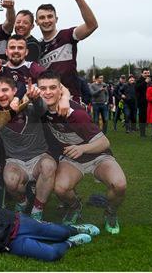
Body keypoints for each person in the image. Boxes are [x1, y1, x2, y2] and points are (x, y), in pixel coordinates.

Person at [37, 71, 127, 234]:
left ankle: (111, 213)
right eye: (43, 88)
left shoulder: (76, 114)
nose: (48, 92)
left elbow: (104, 142)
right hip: (72, 159)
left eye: (52, 88)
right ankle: (74, 207)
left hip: (97, 156)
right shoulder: (41, 110)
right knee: (61, 188)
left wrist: (82, 148)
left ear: (60, 90)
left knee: (119, 185)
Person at [0, 77, 56, 221]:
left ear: (15, 91)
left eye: (5, 90)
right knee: (10, 181)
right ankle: (22, 202)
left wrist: (35, 99)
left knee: (49, 165)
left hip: (38, 157)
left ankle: (37, 210)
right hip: (15, 161)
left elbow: (41, 109)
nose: (1, 94)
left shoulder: (30, 108)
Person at [36, 0, 98, 101]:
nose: (46, 20)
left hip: (71, 100)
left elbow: (92, 25)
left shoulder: (67, 35)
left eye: (50, 16)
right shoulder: (35, 47)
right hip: (46, 102)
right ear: (36, 22)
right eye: (42, 17)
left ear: (56, 19)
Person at [135, 68, 152, 137]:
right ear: (142, 74)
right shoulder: (139, 80)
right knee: (142, 118)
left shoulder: (151, 81)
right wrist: (145, 82)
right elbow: (137, 88)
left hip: (151, 101)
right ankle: (142, 133)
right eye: (145, 73)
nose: (147, 74)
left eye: (148, 73)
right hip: (142, 102)